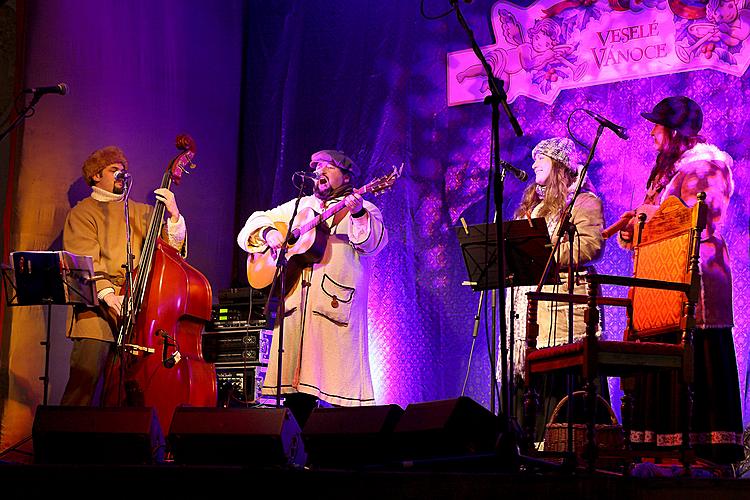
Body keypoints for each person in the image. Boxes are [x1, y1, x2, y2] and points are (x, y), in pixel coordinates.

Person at [617, 96, 743, 464]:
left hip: (695, 280)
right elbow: (655, 221)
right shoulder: (666, 173)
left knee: (695, 354)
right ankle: (662, 453)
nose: (653, 132)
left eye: (658, 125)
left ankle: (705, 452)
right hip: (661, 282)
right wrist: (634, 227)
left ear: (675, 132)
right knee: (663, 354)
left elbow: (702, 218)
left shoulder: (706, 166)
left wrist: (648, 216)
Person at [237, 149, 387, 427]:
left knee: (337, 391)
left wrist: (357, 213)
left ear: (345, 176)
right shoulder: (299, 205)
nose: (320, 172)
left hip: (335, 311)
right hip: (296, 308)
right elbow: (253, 223)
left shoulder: (364, 207)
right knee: (296, 394)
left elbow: (372, 243)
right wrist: (270, 234)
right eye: (317, 167)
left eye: (328, 167)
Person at [61, 146, 186, 406]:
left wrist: (174, 215)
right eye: (113, 169)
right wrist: (109, 295)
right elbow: (83, 260)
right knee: (83, 389)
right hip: (96, 310)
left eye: (123, 170)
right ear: (96, 176)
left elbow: (172, 250)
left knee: (124, 394)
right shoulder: (83, 213)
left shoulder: (141, 212)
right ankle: (64, 444)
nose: (121, 174)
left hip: (136, 309)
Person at [504, 137, 606, 442]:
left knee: (558, 386)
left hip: (561, 311)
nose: (534, 163)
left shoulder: (583, 201)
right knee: (528, 390)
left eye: (542, 158)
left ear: (559, 165)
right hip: (528, 309)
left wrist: (541, 253)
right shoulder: (531, 207)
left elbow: (590, 245)